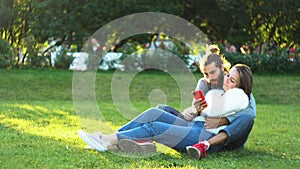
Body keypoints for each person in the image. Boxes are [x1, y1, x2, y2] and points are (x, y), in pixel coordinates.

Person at [78, 53, 256, 158]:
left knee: (156, 127)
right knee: (153, 113)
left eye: (232, 80)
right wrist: (194, 110)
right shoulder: (212, 86)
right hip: (195, 124)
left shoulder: (242, 99)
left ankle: (106, 140)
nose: (225, 79)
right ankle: (113, 139)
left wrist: (222, 119)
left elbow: (247, 117)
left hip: (207, 135)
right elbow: (200, 107)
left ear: (240, 88)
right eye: (228, 75)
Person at [186, 63, 254, 159]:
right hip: (205, 126)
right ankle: (203, 144)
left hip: (227, 136)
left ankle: (205, 144)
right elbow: (197, 109)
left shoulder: (238, 93)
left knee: (247, 119)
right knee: (165, 109)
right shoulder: (205, 83)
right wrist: (195, 109)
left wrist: (224, 120)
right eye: (206, 74)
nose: (209, 77)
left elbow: (251, 111)